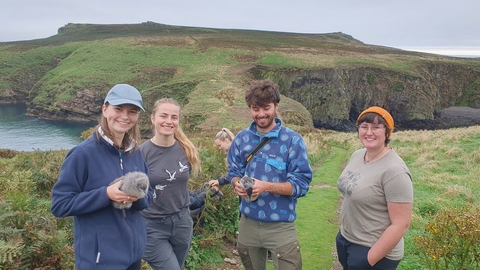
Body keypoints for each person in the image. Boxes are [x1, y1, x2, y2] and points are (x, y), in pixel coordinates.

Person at [50, 84, 153, 270]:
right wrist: (106, 194)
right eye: (118, 109)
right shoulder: (82, 154)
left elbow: (148, 200)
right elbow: (59, 205)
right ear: (105, 110)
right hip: (99, 261)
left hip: (133, 257)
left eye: (132, 111)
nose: (125, 116)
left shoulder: (136, 152)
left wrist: (137, 197)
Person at [228, 79, 313, 270]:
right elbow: (234, 171)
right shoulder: (241, 138)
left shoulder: (292, 140)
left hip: (281, 226)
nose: (261, 114)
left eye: (266, 108)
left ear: (276, 106)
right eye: (255, 109)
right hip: (248, 223)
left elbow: (301, 184)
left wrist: (265, 186)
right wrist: (236, 184)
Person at [336, 106, 413, 270]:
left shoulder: (395, 171)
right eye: (364, 127)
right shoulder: (358, 154)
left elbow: (401, 224)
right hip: (347, 239)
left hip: (374, 251)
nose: (369, 132)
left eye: (376, 127)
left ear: (387, 132)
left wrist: (368, 260)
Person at [139, 98, 201, 270]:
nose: (169, 121)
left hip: (182, 223)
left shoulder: (186, 149)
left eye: (174, 117)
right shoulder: (141, 153)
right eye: (163, 116)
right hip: (152, 226)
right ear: (153, 118)